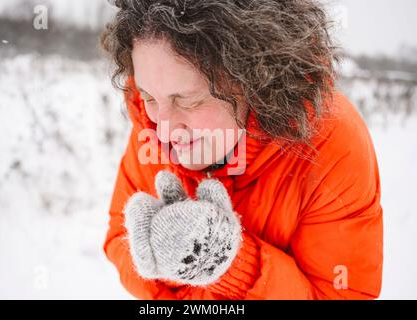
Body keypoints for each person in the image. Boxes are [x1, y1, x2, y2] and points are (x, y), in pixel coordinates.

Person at [100, 0, 383, 299]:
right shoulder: (152, 126)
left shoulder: (332, 144)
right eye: (149, 96)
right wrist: (158, 260)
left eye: (189, 100)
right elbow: (119, 237)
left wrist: (232, 264)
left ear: (254, 80)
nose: (165, 129)